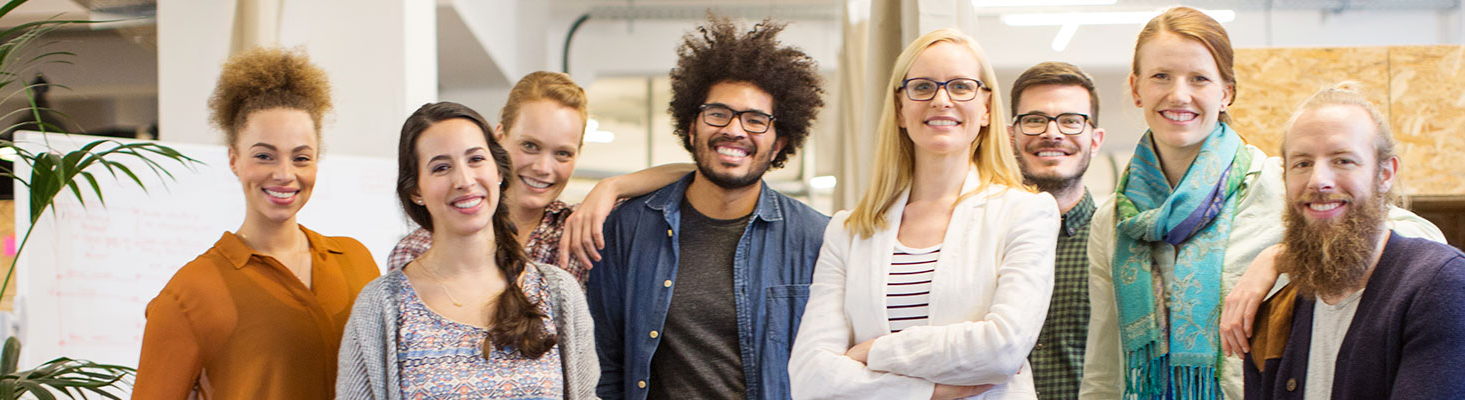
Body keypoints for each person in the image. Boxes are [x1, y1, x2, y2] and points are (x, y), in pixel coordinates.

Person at [1081, 7, 1446, 399]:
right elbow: (1104, 369)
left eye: (1199, 79)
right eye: (1161, 77)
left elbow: (1422, 240)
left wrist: (1284, 255)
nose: (1179, 94)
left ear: (1226, 93)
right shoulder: (1113, 220)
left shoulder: (1280, 183)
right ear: (1137, 89)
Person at [788, 28, 1059, 400]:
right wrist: (932, 391)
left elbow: (1003, 347)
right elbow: (810, 378)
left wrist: (873, 352)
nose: (941, 100)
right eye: (922, 87)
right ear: (900, 108)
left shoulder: (1026, 213)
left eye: (961, 86)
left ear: (985, 108)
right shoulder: (848, 232)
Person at [583, 15, 829, 400]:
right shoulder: (627, 230)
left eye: (755, 120)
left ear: (779, 143)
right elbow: (606, 365)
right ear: (693, 125)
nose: (735, 130)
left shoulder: (817, 239)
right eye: (718, 113)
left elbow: (830, 368)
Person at [133, 47, 379, 399]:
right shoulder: (189, 292)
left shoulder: (357, 261)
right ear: (234, 158)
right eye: (264, 156)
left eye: (301, 158)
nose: (284, 174)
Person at [1242, 84, 1465, 400]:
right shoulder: (1278, 313)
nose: (1318, 181)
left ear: (1385, 173)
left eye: (1343, 160)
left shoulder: (1444, 285)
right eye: (1302, 163)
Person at [337, 102, 597, 399]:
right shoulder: (382, 306)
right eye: (441, 167)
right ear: (416, 191)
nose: (464, 180)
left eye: (475, 159)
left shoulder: (558, 292)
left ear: (499, 170)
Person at [385, 72, 689, 282]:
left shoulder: (581, 231)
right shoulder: (419, 249)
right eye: (530, 146)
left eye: (562, 154)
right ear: (499, 136)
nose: (544, 168)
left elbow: (696, 172)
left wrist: (613, 186)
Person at [1005, 61, 1108, 400]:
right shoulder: (983, 240)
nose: (1052, 133)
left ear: (1095, 140)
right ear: (1011, 136)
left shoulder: (1119, 243)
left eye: (1071, 121)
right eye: (1034, 120)